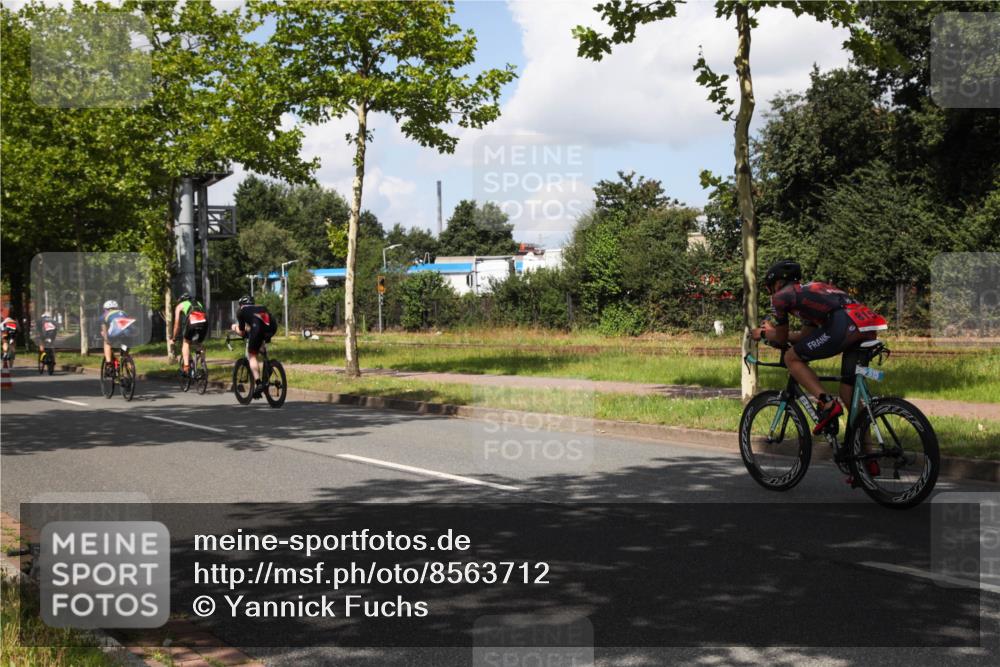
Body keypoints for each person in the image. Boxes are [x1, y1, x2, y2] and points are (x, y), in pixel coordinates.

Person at [751, 259, 887, 436]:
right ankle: (866, 457)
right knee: (848, 394)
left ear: (777, 283)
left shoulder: (781, 297)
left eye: (770, 287)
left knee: (791, 358)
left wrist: (763, 333)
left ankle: (827, 403)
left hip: (843, 325)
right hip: (865, 326)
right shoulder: (811, 294)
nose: (770, 292)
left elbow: (782, 338)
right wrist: (774, 334)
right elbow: (804, 337)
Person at [231, 295, 277, 398]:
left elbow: (242, 332)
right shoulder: (260, 307)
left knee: (252, 355)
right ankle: (268, 365)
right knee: (259, 342)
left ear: (241, 304)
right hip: (272, 328)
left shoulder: (241, 311)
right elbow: (259, 322)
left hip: (258, 329)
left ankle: (258, 383)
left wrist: (234, 328)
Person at [172, 293, 208, 376]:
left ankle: (186, 367)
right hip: (204, 321)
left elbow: (176, 324)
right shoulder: (198, 303)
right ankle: (203, 365)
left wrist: (174, 337)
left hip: (192, 321)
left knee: (186, 342)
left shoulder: (180, 305)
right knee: (199, 343)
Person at [100, 300, 136, 367]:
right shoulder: (123, 313)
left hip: (115, 334)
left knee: (107, 343)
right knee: (125, 344)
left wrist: (105, 337)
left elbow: (104, 329)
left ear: (105, 309)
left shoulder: (105, 315)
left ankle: (108, 363)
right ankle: (125, 358)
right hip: (128, 333)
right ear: (117, 307)